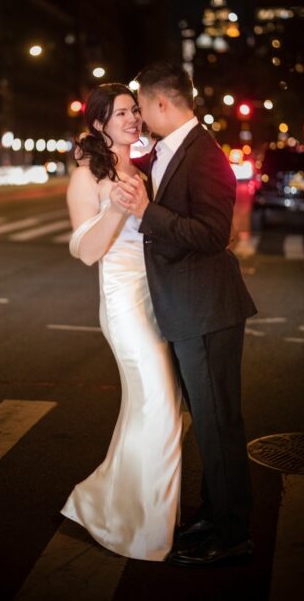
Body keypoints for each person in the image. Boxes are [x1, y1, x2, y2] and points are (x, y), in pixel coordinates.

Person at [111, 62, 258, 567]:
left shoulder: (207, 155)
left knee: (220, 422)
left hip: (207, 307)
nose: (142, 118)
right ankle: (214, 513)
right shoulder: (171, 151)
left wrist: (147, 214)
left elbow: (213, 235)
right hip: (187, 305)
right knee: (210, 419)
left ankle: (233, 531)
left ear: (160, 104)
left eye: (143, 107)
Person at [62, 83, 184, 562]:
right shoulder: (87, 177)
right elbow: (88, 252)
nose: (133, 119)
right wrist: (117, 205)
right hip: (123, 299)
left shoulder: (144, 166)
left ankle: (105, 503)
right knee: (157, 405)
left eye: (135, 110)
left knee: (156, 403)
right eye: (121, 114)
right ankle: (141, 529)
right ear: (98, 124)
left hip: (158, 297)